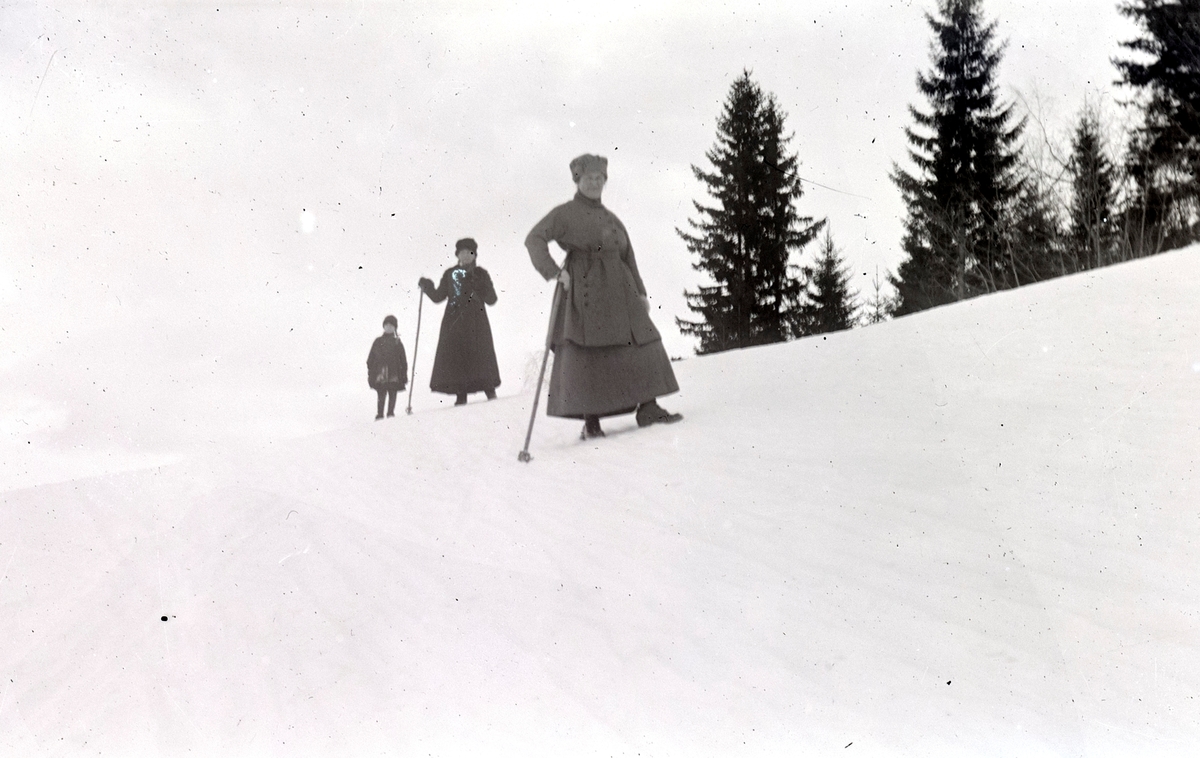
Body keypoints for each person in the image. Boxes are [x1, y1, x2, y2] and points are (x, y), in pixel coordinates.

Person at [525, 153, 682, 440]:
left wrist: (642, 292)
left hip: (622, 291)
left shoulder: (612, 218)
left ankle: (648, 407)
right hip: (586, 290)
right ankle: (592, 422)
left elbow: (628, 256)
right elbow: (533, 239)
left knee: (640, 342)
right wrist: (554, 273)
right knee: (589, 354)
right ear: (577, 180)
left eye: (600, 179)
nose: (595, 183)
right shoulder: (563, 214)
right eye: (589, 179)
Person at [418, 237, 501, 406]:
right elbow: (438, 296)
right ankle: (461, 395)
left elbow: (492, 299)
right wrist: (426, 286)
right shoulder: (450, 274)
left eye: (468, 252)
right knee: (458, 356)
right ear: (457, 255)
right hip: (454, 322)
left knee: (481, 354)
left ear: (474, 255)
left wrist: (481, 285)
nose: (465, 256)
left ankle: (489, 390)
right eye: (461, 252)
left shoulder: (481, 273)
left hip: (477, 322)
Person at [367, 315, 408, 420]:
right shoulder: (378, 341)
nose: (389, 327)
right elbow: (370, 358)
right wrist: (371, 372)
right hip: (381, 373)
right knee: (381, 393)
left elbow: (403, 360)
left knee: (392, 393)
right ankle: (380, 414)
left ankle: (390, 413)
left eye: (391, 325)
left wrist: (404, 374)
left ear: (395, 328)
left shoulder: (397, 342)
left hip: (394, 373)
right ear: (383, 326)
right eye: (387, 325)